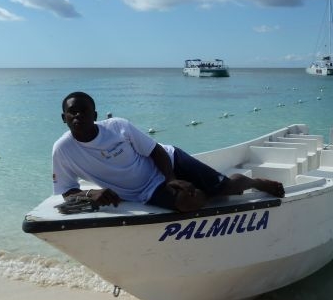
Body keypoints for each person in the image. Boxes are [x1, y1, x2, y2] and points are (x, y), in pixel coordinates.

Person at [52, 91, 285, 212]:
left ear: (95, 115)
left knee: (226, 188)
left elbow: (155, 151)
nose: (78, 116)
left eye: (84, 111)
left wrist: (171, 179)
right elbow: (66, 190)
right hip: (144, 192)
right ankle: (201, 189)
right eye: (72, 112)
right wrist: (89, 194)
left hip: (169, 161)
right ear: (64, 118)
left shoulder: (117, 126)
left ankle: (251, 183)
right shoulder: (63, 150)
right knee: (188, 203)